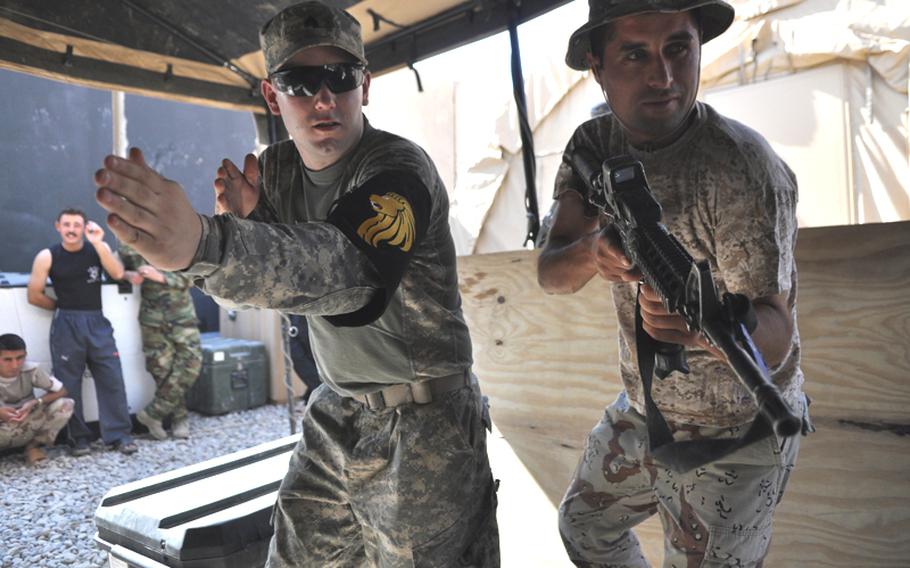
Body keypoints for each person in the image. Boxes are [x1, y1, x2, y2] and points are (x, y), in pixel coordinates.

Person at [92, 2, 499, 565]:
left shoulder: (398, 169)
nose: (324, 98)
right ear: (271, 95)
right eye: (299, 82)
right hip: (336, 410)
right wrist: (244, 233)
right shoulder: (279, 167)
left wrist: (205, 243)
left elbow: (347, 272)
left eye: (340, 77)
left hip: (423, 425)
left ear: (365, 85)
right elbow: (280, 284)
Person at [537, 0, 811, 566]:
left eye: (678, 49)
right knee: (584, 527)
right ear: (597, 64)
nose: (663, 76)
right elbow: (551, 271)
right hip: (646, 410)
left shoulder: (741, 167)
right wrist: (595, 252)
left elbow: (778, 331)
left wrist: (706, 327)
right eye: (635, 54)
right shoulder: (594, 146)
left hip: (740, 427)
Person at [27, 208, 137, 456]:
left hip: (97, 321)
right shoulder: (47, 256)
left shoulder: (97, 249)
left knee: (112, 378)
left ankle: (119, 436)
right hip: (66, 323)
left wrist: (99, 242)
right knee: (68, 383)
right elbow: (34, 295)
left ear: (84, 227)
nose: (72, 229)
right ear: (58, 226)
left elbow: (118, 273)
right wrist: (62, 309)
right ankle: (79, 439)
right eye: (67, 224)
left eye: (77, 225)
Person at [120, 244, 202, 440]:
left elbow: (194, 276)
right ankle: (179, 419)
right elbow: (120, 270)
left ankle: (153, 413)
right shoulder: (126, 243)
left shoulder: (176, 237)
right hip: (152, 318)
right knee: (162, 369)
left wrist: (161, 276)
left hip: (180, 314)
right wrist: (129, 276)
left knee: (191, 364)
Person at [0, 334, 75, 465]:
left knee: (66, 404)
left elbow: (62, 390)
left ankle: (33, 447)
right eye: (7, 359)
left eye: (20, 358)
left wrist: (36, 402)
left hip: (28, 421)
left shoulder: (32, 369)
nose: (15, 365)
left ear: (25, 355)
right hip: (3, 428)